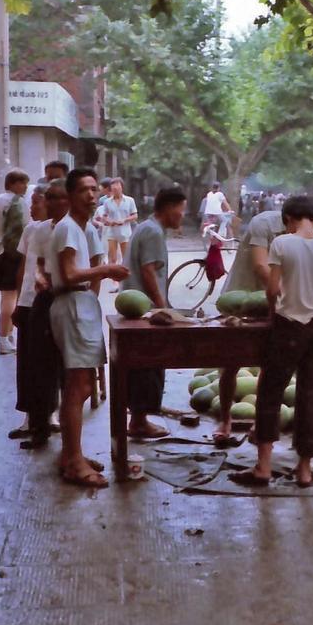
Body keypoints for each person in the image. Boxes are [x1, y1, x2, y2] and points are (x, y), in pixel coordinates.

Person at [229, 196, 313, 488]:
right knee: (311, 396)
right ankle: (305, 470)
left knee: (270, 392)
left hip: (287, 326)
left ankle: (264, 467)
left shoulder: (282, 244)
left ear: (288, 220)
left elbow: (272, 288)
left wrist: (280, 305)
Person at [48, 168, 129, 487]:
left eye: (95, 189)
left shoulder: (87, 228)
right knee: (77, 385)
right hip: (71, 305)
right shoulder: (67, 228)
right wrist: (107, 269)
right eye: (84, 190)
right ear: (70, 196)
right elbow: (69, 274)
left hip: (83, 307)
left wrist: (96, 281)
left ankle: (72, 453)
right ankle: (73, 461)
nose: (92, 195)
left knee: (82, 386)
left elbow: (93, 267)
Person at [212, 206, 287, 444]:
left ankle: (260, 423)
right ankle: (225, 419)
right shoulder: (262, 224)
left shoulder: (301, 235)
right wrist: (288, 295)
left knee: (270, 363)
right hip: (239, 298)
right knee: (230, 363)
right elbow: (260, 266)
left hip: (271, 301)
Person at [122, 187, 187, 439]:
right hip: (146, 311)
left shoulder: (148, 228)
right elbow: (148, 271)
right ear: (169, 208)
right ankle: (139, 422)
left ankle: (139, 419)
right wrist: (162, 308)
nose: (182, 215)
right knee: (148, 366)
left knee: (143, 366)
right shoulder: (152, 232)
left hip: (140, 307)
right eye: (181, 209)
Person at [10, 183, 54, 448]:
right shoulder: (30, 230)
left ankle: (45, 420)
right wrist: (17, 302)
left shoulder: (59, 229)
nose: (32, 206)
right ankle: (30, 419)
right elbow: (22, 269)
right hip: (27, 302)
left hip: (46, 302)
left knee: (44, 366)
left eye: (36, 201)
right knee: (26, 364)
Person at [0, 170, 31, 355]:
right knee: (11, 297)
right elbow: (21, 229)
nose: (25, 187)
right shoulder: (16, 203)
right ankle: (4, 338)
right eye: (22, 183)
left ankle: (8, 336)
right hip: (10, 253)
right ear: (12, 184)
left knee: (6, 297)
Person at [96, 178, 138, 268]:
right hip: (112, 232)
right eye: (113, 187)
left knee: (125, 257)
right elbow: (104, 216)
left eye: (117, 187)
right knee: (113, 258)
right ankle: (113, 277)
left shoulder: (130, 200)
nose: (115, 189)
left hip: (125, 232)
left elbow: (135, 216)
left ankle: (126, 276)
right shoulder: (107, 202)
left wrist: (124, 220)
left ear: (121, 187)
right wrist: (109, 222)